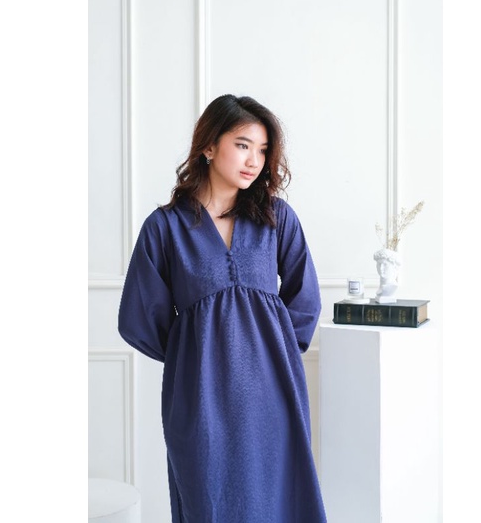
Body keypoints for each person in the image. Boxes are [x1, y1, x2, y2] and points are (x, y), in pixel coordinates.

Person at [118, 94, 327, 522]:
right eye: (243, 145)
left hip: (272, 393)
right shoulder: (165, 227)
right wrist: (194, 356)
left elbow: (305, 299)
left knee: (276, 501)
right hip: (200, 398)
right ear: (210, 146)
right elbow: (140, 317)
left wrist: (274, 354)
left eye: (263, 150)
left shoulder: (276, 218)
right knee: (208, 501)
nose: (254, 161)